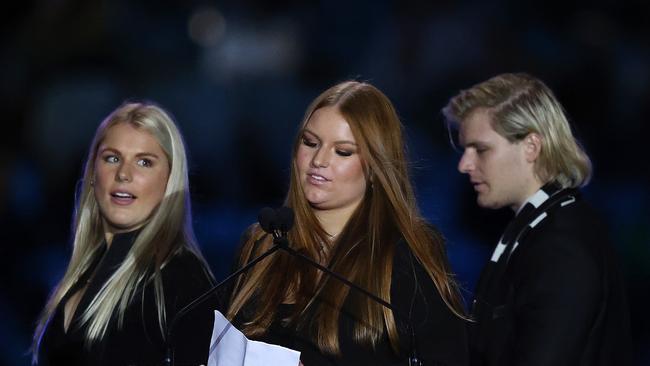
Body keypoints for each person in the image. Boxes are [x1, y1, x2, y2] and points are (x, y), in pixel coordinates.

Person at [224, 81, 469, 366]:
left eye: (342, 152)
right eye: (310, 143)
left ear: (377, 168)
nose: (318, 160)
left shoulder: (405, 254)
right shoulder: (262, 245)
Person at [442, 73, 631, 366]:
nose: (464, 165)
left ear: (531, 146)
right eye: (465, 150)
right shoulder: (541, 228)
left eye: (480, 149)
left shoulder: (562, 243)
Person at [32, 102, 216, 366]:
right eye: (112, 158)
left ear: (169, 181)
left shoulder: (181, 278)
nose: (123, 174)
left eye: (144, 162)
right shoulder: (85, 269)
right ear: (93, 173)